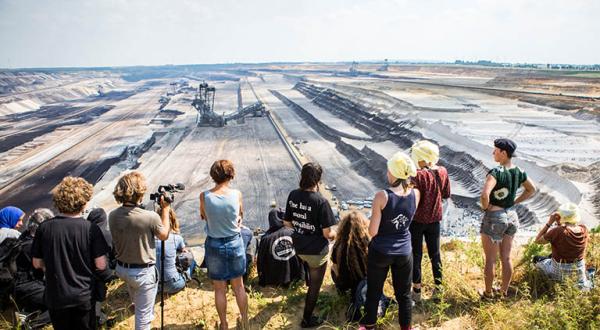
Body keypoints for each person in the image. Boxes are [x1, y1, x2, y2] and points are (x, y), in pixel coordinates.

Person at [31, 177, 110, 330]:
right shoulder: (90, 228)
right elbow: (100, 265)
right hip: (83, 295)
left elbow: (36, 263)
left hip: (56, 295)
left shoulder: (44, 228)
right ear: (83, 201)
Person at [360, 152, 420, 330]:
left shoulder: (382, 196)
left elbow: (373, 231)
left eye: (389, 170)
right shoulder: (415, 193)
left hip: (381, 251)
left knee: (374, 291)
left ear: (394, 173)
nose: (387, 173)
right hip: (404, 251)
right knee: (403, 295)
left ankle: (369, 325)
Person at [109, 171, 171, 330]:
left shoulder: (113, 215)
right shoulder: (149, 217)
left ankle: (143, 308)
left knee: (140, 305)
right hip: (143, 273)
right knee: (143, 322)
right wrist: (165, 209)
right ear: (140, 192)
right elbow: (164, 235)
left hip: (123, 269)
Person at [480, 138, 536, 299]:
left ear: (503, 153)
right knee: (506, 257)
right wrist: (515, 202)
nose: (493, 153)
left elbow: (485, 195)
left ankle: (488, 294)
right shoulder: (519, 171)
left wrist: (486, 207)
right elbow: (531, 189)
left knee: (490, 260)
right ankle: (503, 293)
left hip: (495, 217)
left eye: (495, 150)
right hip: (512, 215)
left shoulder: (496, 173)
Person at [284, 162, 337, 328]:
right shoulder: (321, 202)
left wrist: (300, 231)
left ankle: (307, 282)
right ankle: (307, 319)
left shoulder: (293, 195)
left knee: (308, 266)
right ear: (318, 180)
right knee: (315, 287)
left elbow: (286, 222)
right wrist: (336, 234)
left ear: (302, 177)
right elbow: (327, 234)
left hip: (298, 247)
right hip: (316, 252)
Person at [200, 160, 248, 330]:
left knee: (219, 289)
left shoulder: (204, 196)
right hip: (234, 241)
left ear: (213, 175)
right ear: (231, 174)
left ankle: (224, 324)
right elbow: (240, 215)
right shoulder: (237, 194)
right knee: (239, 286)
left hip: (214, 244)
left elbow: (204, 216)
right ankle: (245, 321)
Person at [409, 140, 451, 302]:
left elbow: (411, 198)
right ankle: (438, 289)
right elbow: (446, 194)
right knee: (435, 254)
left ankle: (417, 291)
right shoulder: (442, 171)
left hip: (417, 221)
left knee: (416, 255)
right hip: (435, 220)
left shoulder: (416, 175)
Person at [534, 203, 590, 289]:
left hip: (559, 273)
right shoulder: (584, 229)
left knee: (536, 259)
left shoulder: (557, 231)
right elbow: (566, 235)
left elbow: (537, 240)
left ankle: (547, 282)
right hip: (578, 273)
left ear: (561, 216)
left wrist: (549, 223)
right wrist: (559, 224)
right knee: (550, 256)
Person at [14, 208, 54, 312]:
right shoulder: (32, 245)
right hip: (28, 286)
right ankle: (32, 324)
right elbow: (47, 268)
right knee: (60, 303)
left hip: (24, 285)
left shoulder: (25, 236)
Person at [257, 201, 304, 287]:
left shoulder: (265, 239)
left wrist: (262, 280)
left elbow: (260, 261)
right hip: (296, 277)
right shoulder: (294, 233)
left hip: (274, 280)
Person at [331, 211, 369, 297]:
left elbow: (335, 266)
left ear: (343, 227)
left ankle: (340, 288)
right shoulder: (368, 245)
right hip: (363, 283)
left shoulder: (338, 246)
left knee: (333, 267)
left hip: (345, 283)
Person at [155, 208, 194, 294]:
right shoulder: (176, 238)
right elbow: (185, 253)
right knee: (189, 256)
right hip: (174, 284)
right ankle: (187, 277)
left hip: (154, 285)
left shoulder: (149, 238)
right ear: (173, 220)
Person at [87, 208, 114, 326]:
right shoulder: (107, 234)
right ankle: (97, 316)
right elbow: (115, 254)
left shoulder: (85, 232)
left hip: (88, 273)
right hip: (104, 272)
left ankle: (97, 315)